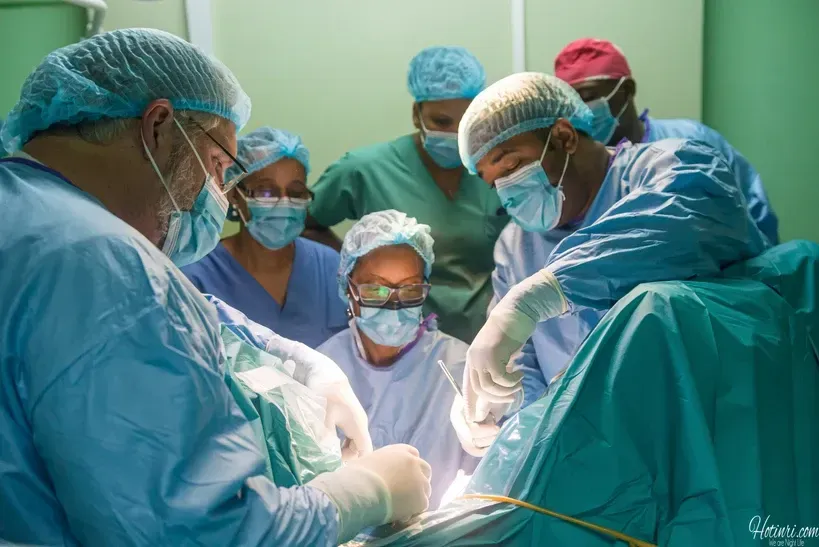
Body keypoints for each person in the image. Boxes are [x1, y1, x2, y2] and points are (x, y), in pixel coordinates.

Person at [0, 28, 430, 546]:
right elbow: (203, 534)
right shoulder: (109, 264)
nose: (221, 195)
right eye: (220, 166)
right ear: (158, 126)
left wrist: (295, 360)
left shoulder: (27, 214)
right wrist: (366, 492)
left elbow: (178, 313)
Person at [449, 72, 769, 454]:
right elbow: (524, 366)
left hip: (711, 432)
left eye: (512, 165)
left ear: (564, 136)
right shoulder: (516, 248)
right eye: (494, 183)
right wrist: (499, 408)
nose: (507, 190)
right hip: (603, 460)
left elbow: (683, 223)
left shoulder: (673, 167)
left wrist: (544, 292)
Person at [305, 46, 509, 344]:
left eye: (466, 122)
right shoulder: (365, 170)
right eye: (441, 122)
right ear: (416, 115)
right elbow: (305, 223)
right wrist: (354, 267)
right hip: (396, 342)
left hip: (485, 339)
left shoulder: (496, 169)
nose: (455, 133)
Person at [317, 210, 480, 508]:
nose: (394, 303)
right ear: (348, 288)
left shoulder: (459, 365)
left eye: (409, 289)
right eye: (375, 289)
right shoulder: (322, 368)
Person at [554, 38, 779, 244]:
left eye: (588, 97)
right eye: (571, 105)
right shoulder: (573, 173)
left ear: (627, 90)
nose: (581, 112)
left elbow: (752, 213)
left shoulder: (692, 141)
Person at [182, 127, 346, 348]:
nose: (284, 203)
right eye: (266, 192)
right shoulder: (196, 276)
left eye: (296, 193)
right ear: (234, 194)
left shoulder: (329, 266)